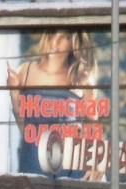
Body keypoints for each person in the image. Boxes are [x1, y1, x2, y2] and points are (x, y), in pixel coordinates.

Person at [6, 29, 101, 180]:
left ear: (73, 44)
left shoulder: (81, 77)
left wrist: (96, 162)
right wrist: (14, 93)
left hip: (72, 165)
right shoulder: (25, 70)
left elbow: (92, 125)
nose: (55, 41)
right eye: (53, 34)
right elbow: (25, 127)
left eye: (65, 37)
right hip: (33, 161)